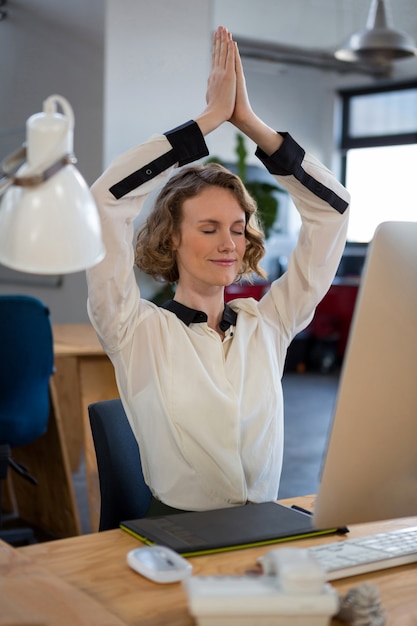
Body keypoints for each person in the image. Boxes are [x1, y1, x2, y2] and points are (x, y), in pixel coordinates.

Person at [86, 26, 350, 514]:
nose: (229, 243)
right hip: (177, 539)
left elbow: (332, 210)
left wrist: (249, 122)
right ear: (171, 236)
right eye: (208, 228)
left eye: (236, 226)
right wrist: (208, 121)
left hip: (262, 537)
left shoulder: (268, 323)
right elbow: (104, 202)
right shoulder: (132, 328)